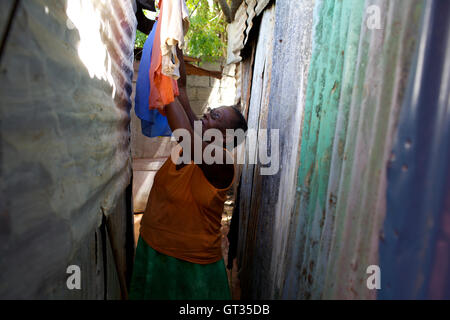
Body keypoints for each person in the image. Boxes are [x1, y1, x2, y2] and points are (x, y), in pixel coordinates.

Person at [129, 47, 248, 300]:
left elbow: (180, 123)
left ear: (225, 136)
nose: (207, 113)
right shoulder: (195, 140)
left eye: (215, 116)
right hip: (153, 250)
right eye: (211, 110)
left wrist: (163, 81)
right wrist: (174, 46)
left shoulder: (220, 162)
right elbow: (181, 89)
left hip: (190, 267)